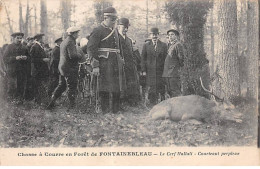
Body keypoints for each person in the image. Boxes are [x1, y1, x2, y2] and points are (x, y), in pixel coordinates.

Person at [87, 7, 126, 113]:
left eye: (115, 19)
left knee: (116, 86)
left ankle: (115, 110)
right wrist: (95, 65)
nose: (114, 21)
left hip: (116, 62)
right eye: (111, 19)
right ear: (105, 18)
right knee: (104, 87)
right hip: (105, 63)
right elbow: (91, 48)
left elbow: (119, 47)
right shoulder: (98, 30)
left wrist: (121, 59)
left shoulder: (115, 31)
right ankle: (104, 110)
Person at [47, 26, 83, 110]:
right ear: (73, 34)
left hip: (63, 67)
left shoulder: (64, 41)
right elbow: (72, 55)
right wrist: (80, 55)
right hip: (69, 68)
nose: (78, 34)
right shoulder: (71, 42)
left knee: (62, 86)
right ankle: (72, 107)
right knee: (72, 87)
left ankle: (51, 103)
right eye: (77, 33)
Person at [141, 27, 167, 105]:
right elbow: (143, 58)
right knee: (152, 88)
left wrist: (165, 71)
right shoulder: (146, 45)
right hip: (150, 71)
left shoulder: (163, 45)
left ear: (158, 35)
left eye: (156, 34)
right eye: (153, 34)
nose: (154, 36)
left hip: (160, 71)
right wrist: (144, 70)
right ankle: (153, 104)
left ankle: (163, 104)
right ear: (150, 35)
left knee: (161, 87)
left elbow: (165, 59)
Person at [117, 17, 140, 106]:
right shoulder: (116, 39)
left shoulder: (129, 40)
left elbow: (132, 52)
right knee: (121, 83)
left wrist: (133, 62)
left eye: (127, 27)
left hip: (130, 65)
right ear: (118, 26)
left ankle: (131, 101)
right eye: (124, 27)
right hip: (120, 65)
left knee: (131, 82)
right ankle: (122, 101)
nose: (126, 29)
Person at [3, 32, 30, 103]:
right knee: (12, 86)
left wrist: (26, 58)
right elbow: (5, 59)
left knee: (21, 86)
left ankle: (20, 101)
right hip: (12, 70)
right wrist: (15, 58)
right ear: (13, 38)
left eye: (21, 38)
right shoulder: (9, 47)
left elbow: (29, 58)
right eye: (17, 38)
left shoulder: (24, 47)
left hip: (22, 70)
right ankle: (10, 102)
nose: (19, 40)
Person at [162, 29, 184, 98]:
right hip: (168, 73)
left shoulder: (178, 45)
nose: (170, 36)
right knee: (170, 92)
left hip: (174, 73)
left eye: (172, 34)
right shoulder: (170, 45)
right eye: (169, 35)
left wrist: (177, 68)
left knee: (176, 92)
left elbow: (181, 59)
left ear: (176, 36)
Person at [30, 33, 50, 105]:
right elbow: (32, 59)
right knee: (39, 86)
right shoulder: (35, 46)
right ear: (38, 39)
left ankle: (40, 102)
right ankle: (39, 102)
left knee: (40, 86)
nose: (43, 39)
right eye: (42, 38)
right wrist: (43, 59)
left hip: (40, 70)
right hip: (37, 70)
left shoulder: (40, 46)